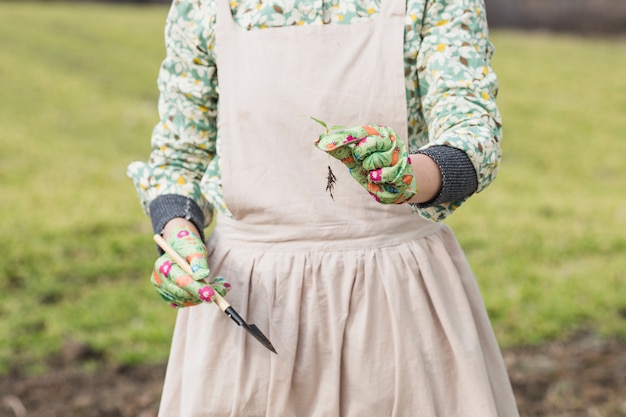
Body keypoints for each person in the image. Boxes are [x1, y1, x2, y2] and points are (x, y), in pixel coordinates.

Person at [127, 0, 520, 415]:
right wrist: (178, 236)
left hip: (395, 303)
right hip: (247, 306)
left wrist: (408, 176)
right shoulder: (203, 7)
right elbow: (179, 159)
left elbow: (472, 133)